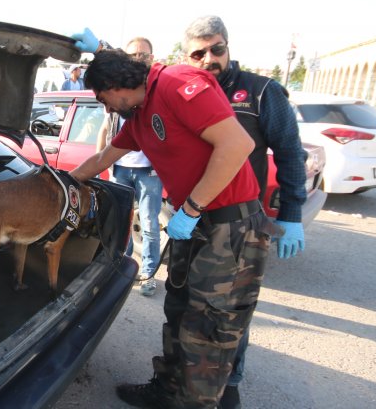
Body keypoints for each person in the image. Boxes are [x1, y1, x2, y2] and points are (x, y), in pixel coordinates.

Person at [70, 28, 274, 408]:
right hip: (194, 223)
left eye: (104, 99)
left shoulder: (177, 83)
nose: (107, 109)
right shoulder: (140, 116)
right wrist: (59, 182)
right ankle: (167, 392)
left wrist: (192, 209)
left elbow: (237, 144)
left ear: (116, 85)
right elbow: (101, 160)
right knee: (179, 312)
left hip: (229, 227)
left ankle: (197, 403)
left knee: (209, 330)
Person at [183, 15, 307, 409]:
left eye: (216, 49)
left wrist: (291, 212)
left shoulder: (259, 92)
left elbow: (289, 152)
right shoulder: (184, 91)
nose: (208, 59)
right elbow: (139, 71)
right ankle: (182, 382)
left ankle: (228, 387)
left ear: (228, 46)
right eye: (198, 52)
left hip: (240, 223)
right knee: (189, 305)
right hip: (193, 215)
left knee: (232, 311)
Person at [96, 36, 163, 297]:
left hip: (149, 172)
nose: (139, 59)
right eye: (134, 55)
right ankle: (121, 268)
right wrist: (103, 165)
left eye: (144, 55)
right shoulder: (117, 90)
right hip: (120, 168)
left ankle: (148, 274)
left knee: (149, 225)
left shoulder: (155, 92)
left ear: (151, 58)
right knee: (120, 222)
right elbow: (104, 130)